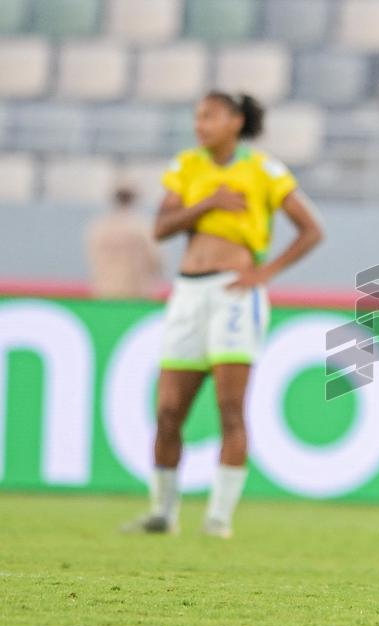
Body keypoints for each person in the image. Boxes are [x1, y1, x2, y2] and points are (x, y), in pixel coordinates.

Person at [123, 91, 323, 538]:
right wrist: (208, 204)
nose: (199, 124)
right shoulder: (186, 166)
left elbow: (311, 230)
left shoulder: (263, 169)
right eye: (196, 117)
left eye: (208, 116)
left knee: (230, 407)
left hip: (234, 292)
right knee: (169, 409)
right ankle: (162, 513)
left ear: (234, 121)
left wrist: (266, 272)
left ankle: (218, 517)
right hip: (187, 293)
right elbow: (159, 228)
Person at [85, 185, 162, 299]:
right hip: (135, 293)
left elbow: (92, 259)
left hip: (105, 291)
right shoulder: (141, 227)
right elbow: (156, 261)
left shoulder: (98, 228)